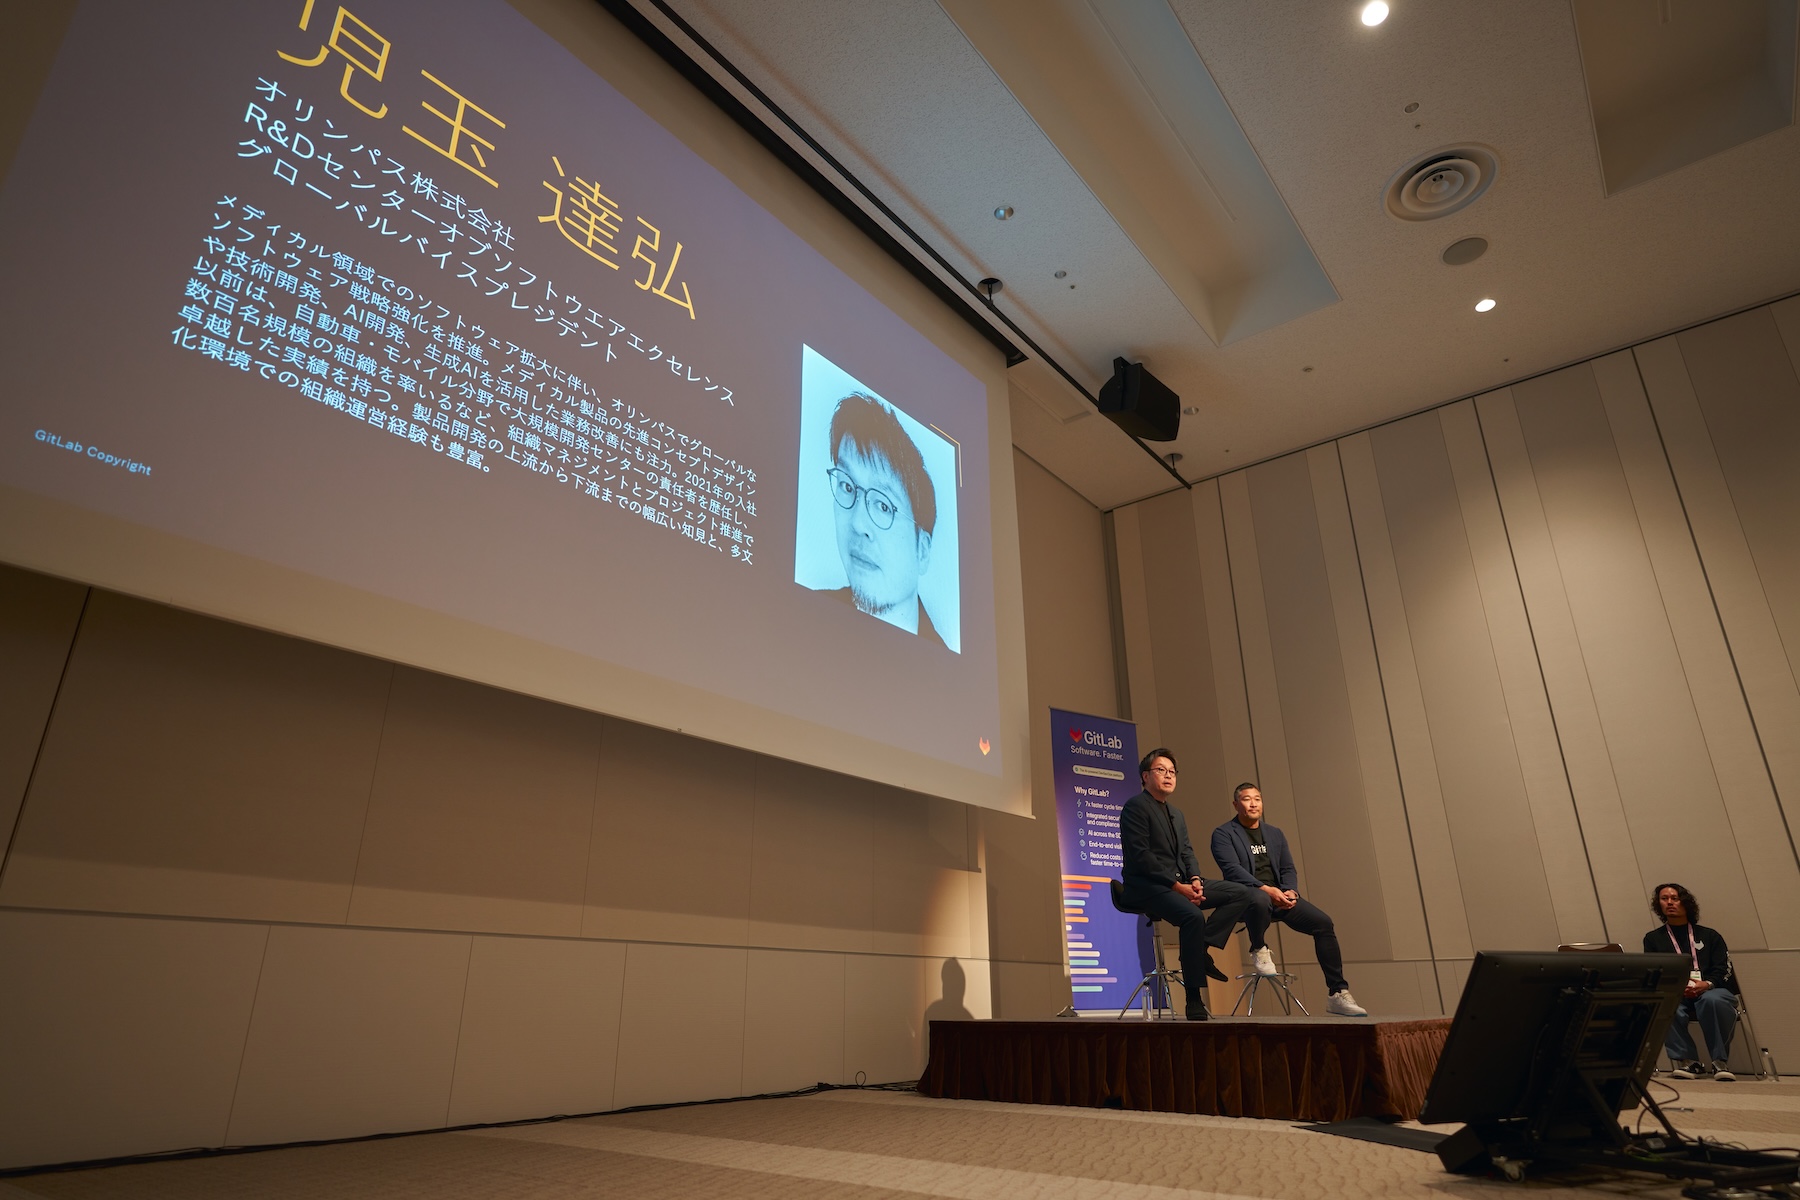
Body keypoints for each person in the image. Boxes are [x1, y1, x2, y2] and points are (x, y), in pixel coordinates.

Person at [1118, 749, 1258, 1021]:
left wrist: (1194, 879)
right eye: (1161, 770)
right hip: (1147, 887)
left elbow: (1187, 852)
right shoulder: (1135, 807)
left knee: (1241, 892)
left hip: (1179, 883)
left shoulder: (1176, 813)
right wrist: (1176, 886)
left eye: (1172, 771)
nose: (1168, 775)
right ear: (1145, 776)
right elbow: (1141, 856)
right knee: (1193, 916)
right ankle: (1194, 998)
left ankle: (1201, 948)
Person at [1210, 783, 1367, 1017]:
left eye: (1257, 799)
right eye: (1246, 799)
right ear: (1236, 804)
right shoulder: (1224, 834)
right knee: (1259, 898)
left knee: (1323, 923)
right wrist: (1268, 890)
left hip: (1279, 897)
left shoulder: (1275, 833)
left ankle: (1337, 992)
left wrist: (1290, 891)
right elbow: (1232, 870)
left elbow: (1287, 868)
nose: (1253, 804)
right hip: (1247, 899)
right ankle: (1258, 947)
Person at [824, 393, 945, 649]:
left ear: (922, 550)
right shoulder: (800, 619)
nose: (858, 524)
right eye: (847, 487)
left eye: (883, 506)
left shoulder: (951, 671)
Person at [1644, 882, 1737, 1081]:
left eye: (1675, 898)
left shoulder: (1710, 935)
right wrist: (1677, 987)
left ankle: (1719, 1061)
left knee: (1713, 1000)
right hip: (1676, 992)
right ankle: (1689, 1061)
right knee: (1663, 1004)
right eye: (1664, 899)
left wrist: (1707, 984)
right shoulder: (1653, 939)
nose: (1669, 902)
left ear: (1686, 903)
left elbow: (1723, 969)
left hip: (1711, 989)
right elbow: (1656, 972)